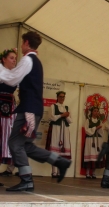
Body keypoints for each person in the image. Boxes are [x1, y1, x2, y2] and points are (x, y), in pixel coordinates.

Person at [0, 31, 71, 191]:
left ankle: (26, 179)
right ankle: (59, 161)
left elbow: (13, 79)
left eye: (22, 42)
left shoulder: (27, 60)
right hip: (33, 108)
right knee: (26, 145)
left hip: (28, 109)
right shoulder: (35, 61)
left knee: (15, 142)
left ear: (26, 42)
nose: (20, 45)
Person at [45, 91, 72, 178]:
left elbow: (71, 121)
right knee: (54, 150)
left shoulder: (66, 107)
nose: (62, 98)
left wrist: (66, 116)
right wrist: (62, 115)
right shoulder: (53, 106)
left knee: (62, 151)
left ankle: (60, 172)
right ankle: (54, 172)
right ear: (57, 97)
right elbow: (51, 117)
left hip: (65, 130)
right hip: (55, 129)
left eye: (63, 97)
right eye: (60, 97)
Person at [0, 48, 17, 183]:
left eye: (15, 58)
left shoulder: (14, 74)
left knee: (6, 140)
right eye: (11, 58)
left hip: (10, 110)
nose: (14, 60)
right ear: (4, 59)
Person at [82, 107, 105, 179]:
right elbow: (86, 130)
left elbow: (102, 132)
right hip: (90, 140)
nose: (96, 112)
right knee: (90, 154)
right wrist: (95, 128)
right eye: (95, 111)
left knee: (96, 156)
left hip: (97, 140)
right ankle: (88, 173)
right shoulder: (88, 120)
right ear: (92, 112)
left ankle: (94, 173)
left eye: (97, 111)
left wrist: (99, 128)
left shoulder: (99, 121)